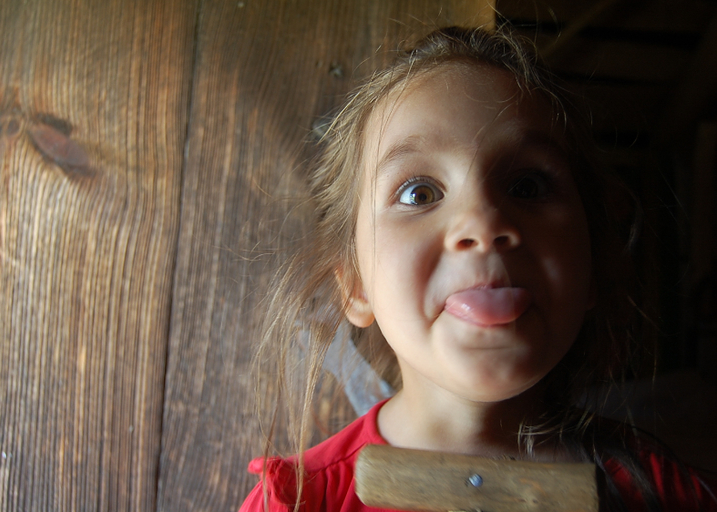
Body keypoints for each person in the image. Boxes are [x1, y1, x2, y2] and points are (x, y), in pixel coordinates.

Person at [240, 26, 717, 511]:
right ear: (356, 284)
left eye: (527, 186)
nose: (484, 223)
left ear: (593, 263)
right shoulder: (297, 502)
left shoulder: (674, 498)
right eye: (419, 193)